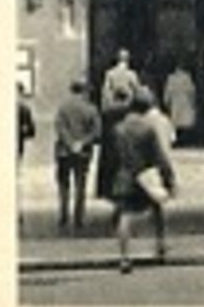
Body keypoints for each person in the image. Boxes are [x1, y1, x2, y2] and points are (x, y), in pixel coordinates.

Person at [110, 86, 176, 274]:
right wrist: (168, 177)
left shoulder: (119, 128)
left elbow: (114, 156)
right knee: (157, 209)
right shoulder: (147, 129)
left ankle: (124, 256)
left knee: (125, 216)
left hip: (125, 175)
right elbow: (158, 156)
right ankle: (160, 246)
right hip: (145, 175)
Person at [54, 78, 102, 230]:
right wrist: (82, 143)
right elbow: (97, 131)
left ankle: (63, 215)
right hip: (83, 153)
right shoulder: (91, 109)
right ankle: (78, 218)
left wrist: (70, 143)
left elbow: (59, 127)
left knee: (64, 185)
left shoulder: (63, 107)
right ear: (85, 91)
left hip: (64, 152)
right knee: (80, 184)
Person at [96, 84, 133, 200]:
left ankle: (104, 190)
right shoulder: (128, 111)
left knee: (107, 166)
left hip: (109, 142)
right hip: (124, 140)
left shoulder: (107, 111)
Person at [163, 64, 198, 146]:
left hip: (175, 102)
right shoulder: (187, 78)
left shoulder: (171, 78)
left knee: (176, 122)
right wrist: (193, 102)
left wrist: (166, 101)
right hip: (185, 101)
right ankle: (185, 140)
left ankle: (177, 141)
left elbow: (168, 91)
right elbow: (192, 91)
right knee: (185, 122)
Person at [17, 84, 35, 162]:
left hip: (18, 148)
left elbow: (31, 132)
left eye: (18, 94)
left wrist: (26, 129)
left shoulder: (25, 110)